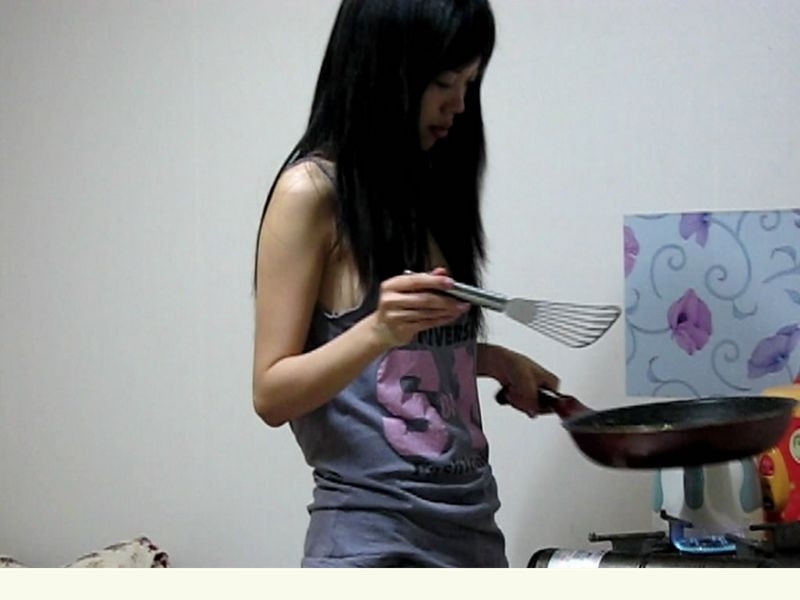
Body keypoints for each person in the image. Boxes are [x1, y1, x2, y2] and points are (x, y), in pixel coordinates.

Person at [252, 0, 559, 567]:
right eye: (443, 82)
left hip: (472, 531)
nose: (459, 104)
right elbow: (271, 394)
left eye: (469, 83)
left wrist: (491, 360)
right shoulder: (311, 193)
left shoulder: (425, 186)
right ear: (382, 70)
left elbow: (398, 363)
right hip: (374, 546)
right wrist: (377, 330)